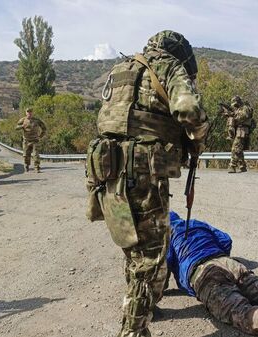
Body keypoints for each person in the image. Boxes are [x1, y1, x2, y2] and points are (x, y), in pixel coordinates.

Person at [86, 30, 209, 337]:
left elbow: (108, 119)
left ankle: (146, 304)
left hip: (107, 167)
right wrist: (199, 136)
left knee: (133, 246)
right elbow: (189, 109)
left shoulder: (122, 69)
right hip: (142, 170)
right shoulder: (167, 65)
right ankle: (132, 330)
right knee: (151, 257)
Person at [224, 96, 253, 173]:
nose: (234, 106)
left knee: (235, 148)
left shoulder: (245, 108)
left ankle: (232, 166)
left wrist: (233, 115)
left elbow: (243, 117)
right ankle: (242, 166)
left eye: (235, 104)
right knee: (238, 149)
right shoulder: (238, 109)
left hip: (242, 130)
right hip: (238, 130)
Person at [15, 108, 46, 173]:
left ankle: (37, 168)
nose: (29, 113)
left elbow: (44, 128)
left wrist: (40, 136)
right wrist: (22, 126)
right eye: (28, 112)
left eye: (30, 112)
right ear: (26, 113)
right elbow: (16, 128)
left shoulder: (37, 120)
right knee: (26, 155)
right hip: (26, 140)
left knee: (36, 154)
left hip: (35, 140)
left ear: (32, 112)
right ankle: (26, 166)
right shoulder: (23, 120)